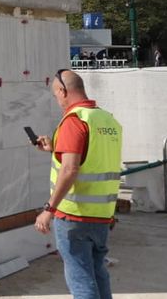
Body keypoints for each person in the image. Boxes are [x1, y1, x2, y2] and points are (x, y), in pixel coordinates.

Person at [32, 69, 123, 299]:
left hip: (74, 217)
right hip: (102, 216)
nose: (57, 101)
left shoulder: (74, 121)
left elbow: (70, 169)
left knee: (81, 280)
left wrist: (48, 209)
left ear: (63, 91)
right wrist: (56, 148)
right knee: (98, 273)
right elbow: (93, 158)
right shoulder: (106, 119)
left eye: (56, 95)